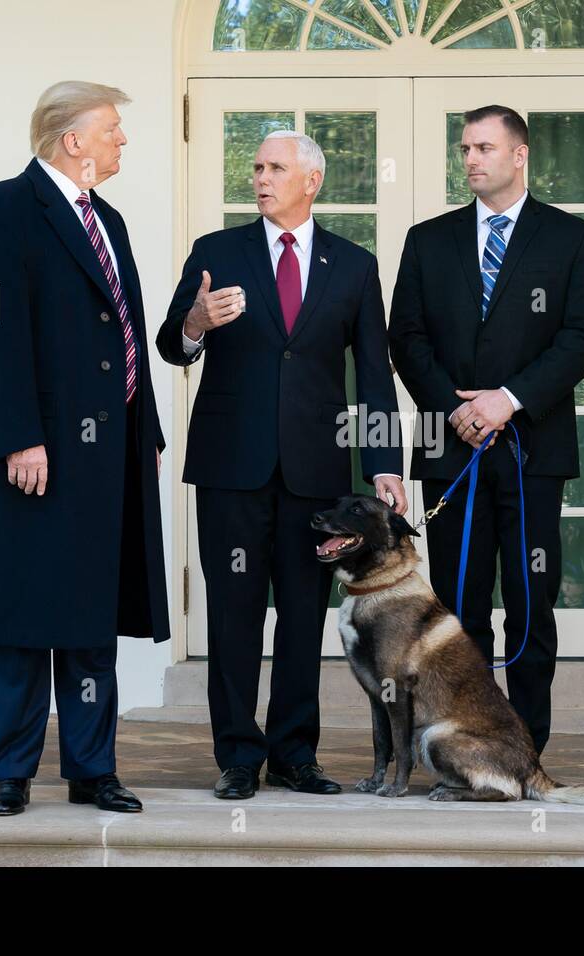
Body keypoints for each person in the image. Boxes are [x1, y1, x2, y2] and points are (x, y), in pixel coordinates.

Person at [157, 130, 405, 800]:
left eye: (275, 168)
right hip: (230, 469)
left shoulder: (353, 266)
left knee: (302, 617)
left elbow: (374, 376)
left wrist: (385, 464)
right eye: (257, 167)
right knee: (234, 614)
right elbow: (170, 348)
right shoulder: (217, 253)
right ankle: (239, 756)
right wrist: (196, 322)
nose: (261, 178)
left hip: (315, 477)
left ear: (311, 181)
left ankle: (296, 755)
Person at [0, 81, 169, 816]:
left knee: (88, 616)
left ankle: (92, 769)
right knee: (24, 615)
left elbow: (128, 335)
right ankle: (10, 773)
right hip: (35, 453)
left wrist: (149, 432)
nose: (122, 141)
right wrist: (18, 436)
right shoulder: (1, 210)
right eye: (111, 129)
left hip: (106, 455)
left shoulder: (106, 217)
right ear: (70, 139)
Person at [388, 105, 584, 755]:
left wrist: (508, 400)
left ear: (520, 155)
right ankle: (461, 740)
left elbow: (582, 337)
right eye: (464, 149)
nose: (471, 159)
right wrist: (455, 409)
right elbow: (406, 336)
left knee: (531, 601)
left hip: (531, 448)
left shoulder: (568, 238)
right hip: (448, 449)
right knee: (457, 607)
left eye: (484, 147)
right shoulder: (429, 239)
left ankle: (524, 743)